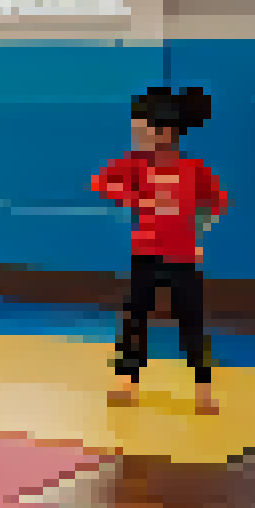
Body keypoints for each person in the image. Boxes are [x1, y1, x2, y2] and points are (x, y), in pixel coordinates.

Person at [92, 86, 226, 415]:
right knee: (134, 318)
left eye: (144, 129)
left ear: (166, 132)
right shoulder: (135, 165)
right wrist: (134, 198)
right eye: (137, 129)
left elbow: (218, 201)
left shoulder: (193, 169)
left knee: (191, 321)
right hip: (146, 255)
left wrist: (199, 231)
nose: (138, 135)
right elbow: (101, 182)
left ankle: (203, 387)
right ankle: (127, 381)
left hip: (183, 259)